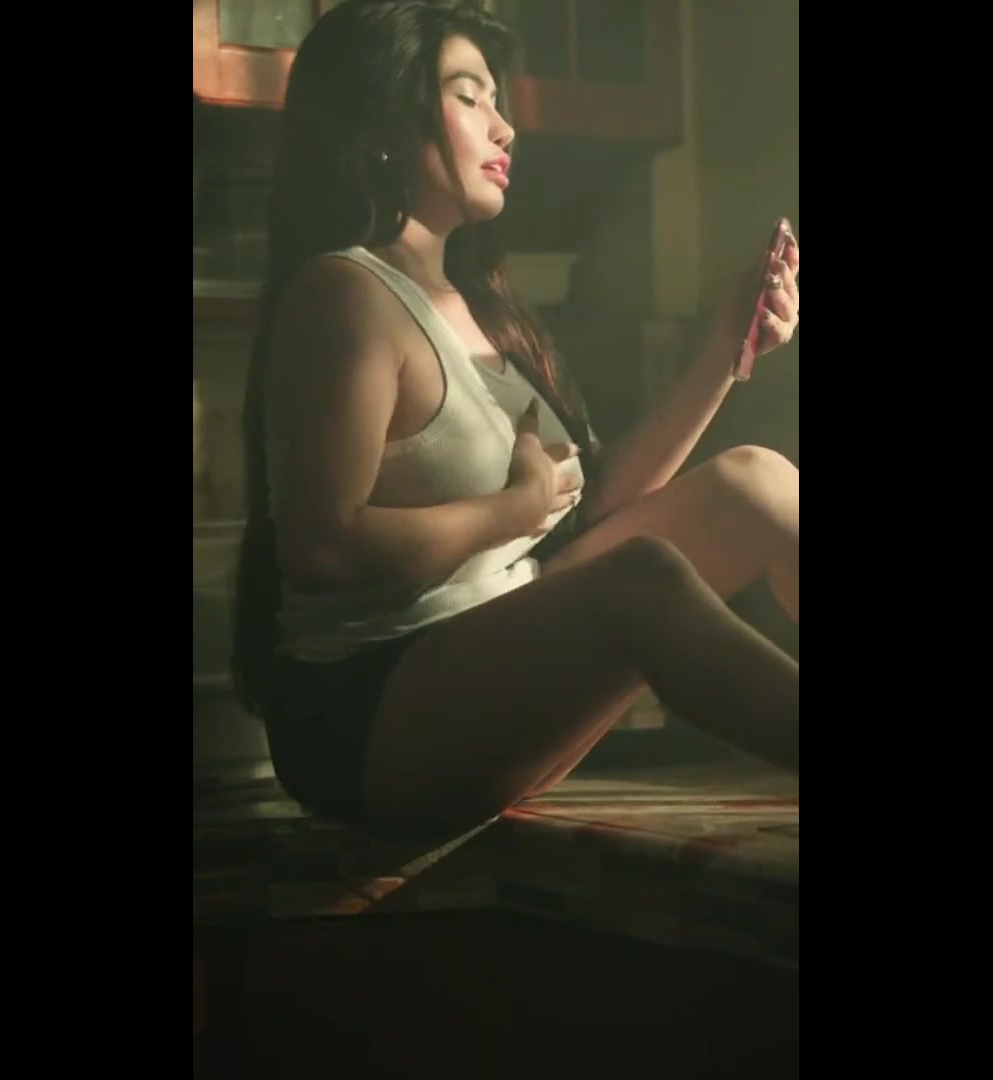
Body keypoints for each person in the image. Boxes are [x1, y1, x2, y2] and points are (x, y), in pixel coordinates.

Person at [230, 0, 802, 830]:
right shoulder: (342, 295)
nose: (505, 129)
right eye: (470, 97)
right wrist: (512, 510)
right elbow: (322, 546)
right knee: (641, 582)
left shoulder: (478, 304)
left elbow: (594, 508)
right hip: (367, 707)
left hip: (498, 652)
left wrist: (725, 349)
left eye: (497, 101)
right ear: (383, 120)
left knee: (756, 480)